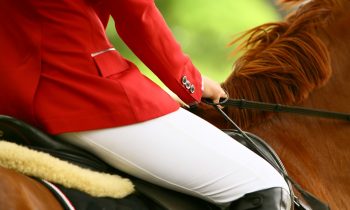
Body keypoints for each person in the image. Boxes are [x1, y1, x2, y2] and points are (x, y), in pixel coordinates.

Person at [0, 0, 291, 209]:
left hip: (14, 99)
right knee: (263, 184)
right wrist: (191, 81)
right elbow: (137, 14)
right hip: (81, 94)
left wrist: (157, 96)